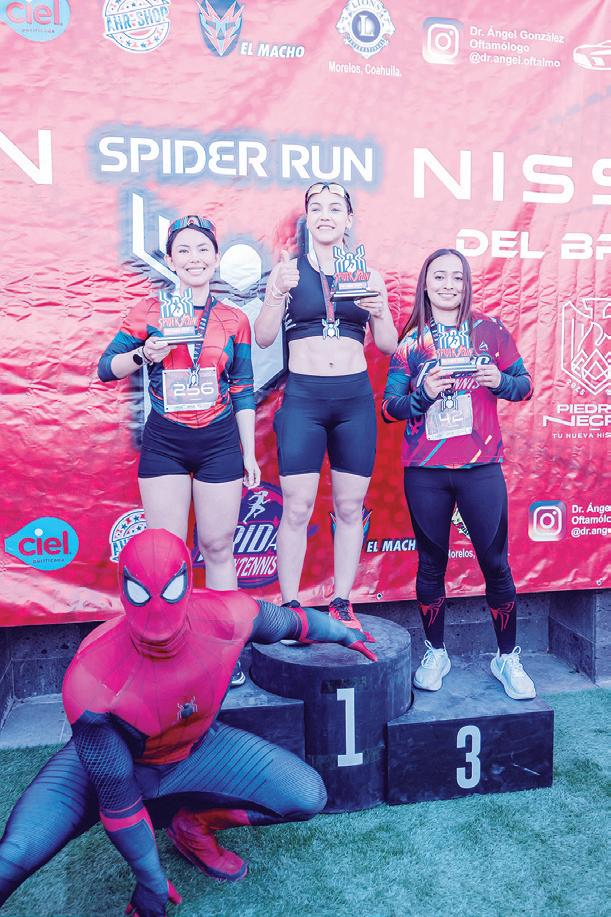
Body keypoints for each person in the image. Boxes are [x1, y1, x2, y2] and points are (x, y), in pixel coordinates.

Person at [0, 529, 376, 917]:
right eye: (142, 593)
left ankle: (193, 827)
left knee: (306, 795)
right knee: (14, 855)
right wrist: (150, 879)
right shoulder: (92, 676)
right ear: (124, 590)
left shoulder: (228, 615)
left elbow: (292, 622)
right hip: (102, 765)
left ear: (187, 583)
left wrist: (343, 633)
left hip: (196, 748)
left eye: (169, 590)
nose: (157, 612)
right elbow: (119, 803)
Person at [98, 214, 260, 685]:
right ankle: (170, 650)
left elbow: (243, 387)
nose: (194, 258)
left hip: (219, 441)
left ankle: (225, 651)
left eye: (202, 249)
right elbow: (106, 368)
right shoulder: (149, 311)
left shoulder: (234, 319)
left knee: (218, 547)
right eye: (183, 250)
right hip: (165, 441)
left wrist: (249, 453)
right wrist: (142, 354)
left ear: (216, 258)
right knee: (166, 556)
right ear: (170, 261)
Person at [382, 248, 536, 700]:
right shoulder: (412, 342)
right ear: (425, 285)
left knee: (496, 564)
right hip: (425, 470)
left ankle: (506, 657)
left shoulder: (490, 331)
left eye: (456, 277)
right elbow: (389, 408)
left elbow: (525, 385)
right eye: (439, 277)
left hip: (480, 468)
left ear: (467, 284)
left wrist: (499, 381)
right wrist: (422, 394)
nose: (448, 285)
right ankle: (436, 652)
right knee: (431, 565)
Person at [255, 182, 397, 629]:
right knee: (296, 507)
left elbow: (389, 344)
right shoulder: (288, 271)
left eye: (335, 208)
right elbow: (263, 338)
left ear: (348, 219)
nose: (325, 215)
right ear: (308, 219)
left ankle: (341, 600)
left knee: (350, 507)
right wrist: (275, 294)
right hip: (304, 398)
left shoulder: (368, 276)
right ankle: (291, 606)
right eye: (316, 208)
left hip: (353, 400)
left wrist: (380, 310)